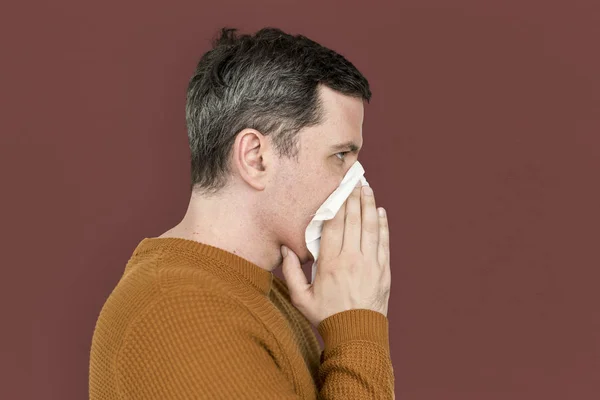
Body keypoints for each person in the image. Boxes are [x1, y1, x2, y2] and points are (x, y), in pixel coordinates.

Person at [89, 26, 394, 399]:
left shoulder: (260, 295)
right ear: (256, 157)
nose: (357, 184)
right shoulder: (180, 311)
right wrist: (357, 329)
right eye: (340, 156)